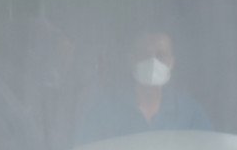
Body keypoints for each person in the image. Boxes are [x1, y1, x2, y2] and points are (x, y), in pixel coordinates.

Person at [74, 31, 211, 143]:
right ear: (131, 60)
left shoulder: (190, 113)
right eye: (145, 55)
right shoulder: (103, 113)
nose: (153, 62)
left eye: (161, 56)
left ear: (171, 62)